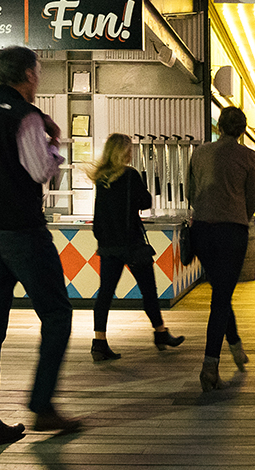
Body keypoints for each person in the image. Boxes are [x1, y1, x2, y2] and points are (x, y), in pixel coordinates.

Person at [0, 45, 82, 450]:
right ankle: (42, 405)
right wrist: (53, 141)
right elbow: (42, 170)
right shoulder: (26, 118)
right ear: (29, 75)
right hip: (22, 232)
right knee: (57, 314)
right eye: (37, 72)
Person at [87, 133, 186, 360]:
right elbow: (146, 201)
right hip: (131, 243)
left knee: (105, 294)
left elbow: (99, 214)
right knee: (148, 290)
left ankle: (99, 342)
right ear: (121, 151)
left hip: (109, 245)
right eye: (129, 149)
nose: (131, 153)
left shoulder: (101, 179)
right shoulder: (130, 175)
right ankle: (160, 333)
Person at [186, 106, 255, 391]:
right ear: (242, 130)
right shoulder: (248, 156)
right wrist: (238, 213)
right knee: (221, 297)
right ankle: (209, 365)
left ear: (218, 127)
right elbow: (253, 196)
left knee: (220, 290)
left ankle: (236, 347)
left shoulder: (200, 152)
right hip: (232, 231)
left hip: (202, 230)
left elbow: (190, 192)